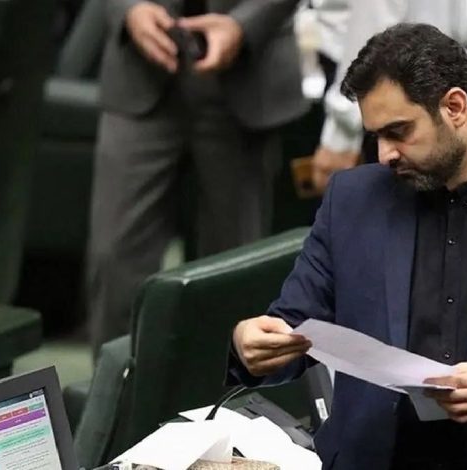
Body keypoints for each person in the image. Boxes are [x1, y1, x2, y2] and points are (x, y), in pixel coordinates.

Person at [228, 24, 467, 469]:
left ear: (454, 107)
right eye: (376, 136)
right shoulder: (351, 201)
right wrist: (253, 347)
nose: (385, 154)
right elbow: (293, 326)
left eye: (399, 131)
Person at [88, 0, 307, 351]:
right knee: (114, 258)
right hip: (140, 70)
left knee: (233, 269)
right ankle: (117, 383)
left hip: (244, 71)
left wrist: (244, 25)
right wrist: (128, 9)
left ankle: (220, 383)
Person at [311, 0, 467, 193]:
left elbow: (371, 29)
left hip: (379, 82)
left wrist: (340, 135)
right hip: (436, 63)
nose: (383, 155)